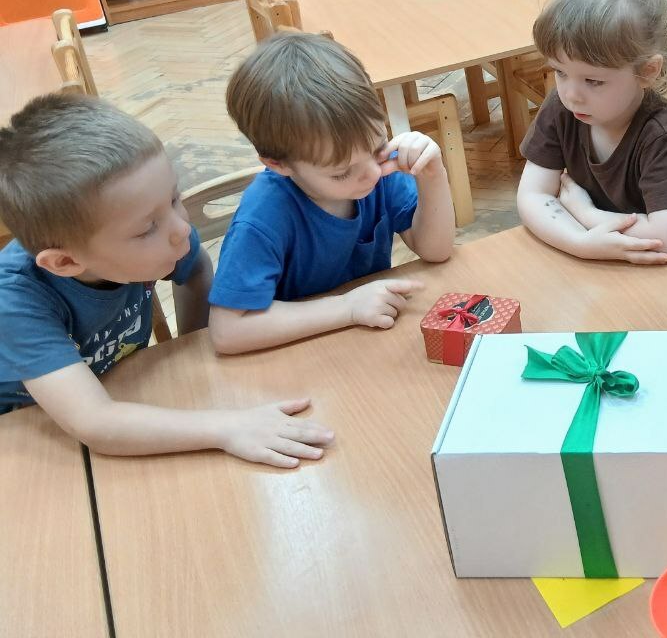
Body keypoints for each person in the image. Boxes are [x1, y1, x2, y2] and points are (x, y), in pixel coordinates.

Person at [0, 95, 332, 468]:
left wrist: (194, 347)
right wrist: (227, 428)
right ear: (65, 262)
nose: (181, 229)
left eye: (174, 198)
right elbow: (95, 422)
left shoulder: (162, 232)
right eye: (147, 229)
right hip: (26, 427)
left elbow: (196, 268)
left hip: (119, 385)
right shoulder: (15, 302)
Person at [208, 32, 454, 354]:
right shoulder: (263, 216)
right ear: (278, 164)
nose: (371, 172)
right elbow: (227, 331)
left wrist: (433, 175)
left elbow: (436, 250)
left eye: (377, 147)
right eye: (341, 172)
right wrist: (347, 308)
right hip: (298, 355)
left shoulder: (376, 170)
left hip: (364, 345)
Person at [517, 0, 667, 266]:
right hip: (608, 254)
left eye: (593, 81)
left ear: (647, 72)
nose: (572, 94)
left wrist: (586, 215)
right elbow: (532, 195)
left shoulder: (660, 133)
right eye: (560, 72)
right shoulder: (562, 107)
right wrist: (581, 243)